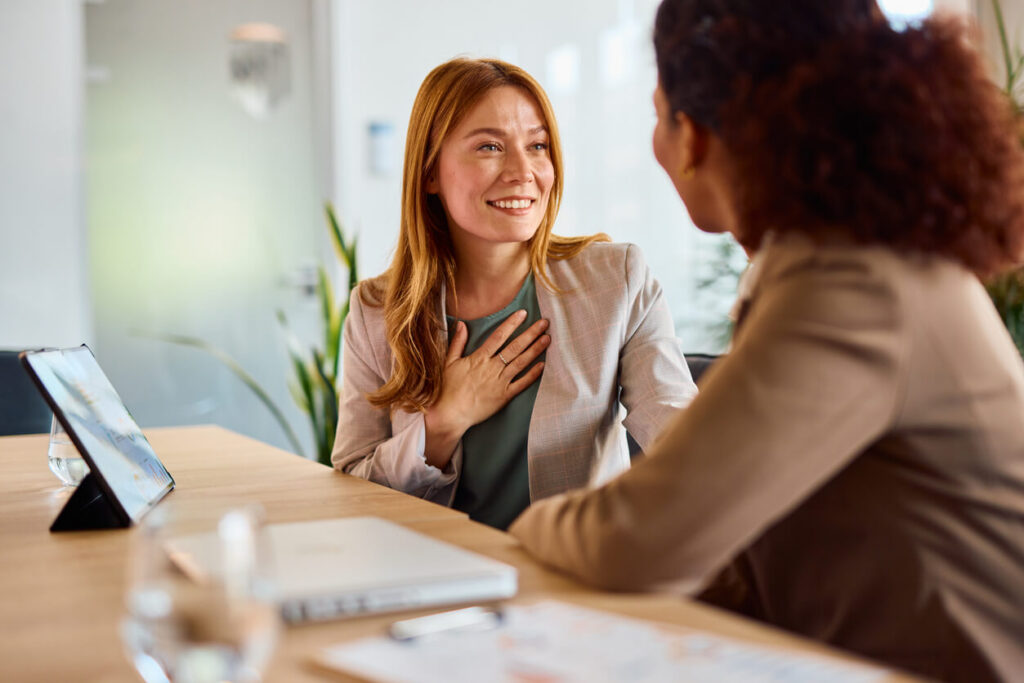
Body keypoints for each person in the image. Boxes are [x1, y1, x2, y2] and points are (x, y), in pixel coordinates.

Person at [508, 2, 1024, 680]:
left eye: (657, 111)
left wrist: (520, 529)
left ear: (688, 135)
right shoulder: (855, 261)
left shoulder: (850, 287)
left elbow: (636, 540)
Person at [331, 58, 696, 531]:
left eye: (538, 145)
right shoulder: (375, 312)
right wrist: (441, 424)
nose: (524, 172)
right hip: (432, 577)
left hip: (569, 578)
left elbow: (680, 431)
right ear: (429, 174)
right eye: (489, 147)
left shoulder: (616, 280)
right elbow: (352, 493)